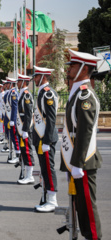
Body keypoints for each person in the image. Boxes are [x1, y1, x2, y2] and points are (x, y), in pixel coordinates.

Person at [60, 49, 102, 239]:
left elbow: (84, 131)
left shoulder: (85, 96)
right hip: (77, 158)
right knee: (79, 206)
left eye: (73, 66)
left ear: (84, 69)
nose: (69, 69)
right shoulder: (77, 94)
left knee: (87, 209)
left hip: (83, 160)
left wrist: (77, 163)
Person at [32, 66, 59, 212]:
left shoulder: (47, 94)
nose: (34, 79)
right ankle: (46, 198)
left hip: (46, 138)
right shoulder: (42, 93)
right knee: (44, 168)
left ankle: (52, 200)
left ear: (43, 77)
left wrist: (47, 141)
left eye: (36, 76)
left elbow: (51, 119)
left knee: (49, 169)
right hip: (41, 138)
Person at [15, 74, 35, 185]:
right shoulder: (22, 94)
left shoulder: (26, 95)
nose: (17, 83)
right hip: (21, 128)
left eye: (19, 81)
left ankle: (30, 176)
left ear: (23, 82)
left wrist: (26, 130)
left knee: (27, 151)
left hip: (25, 128)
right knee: (23, 151)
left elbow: (28, 114)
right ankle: (27, 174)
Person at [6, 77, 21, 164]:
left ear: (11, 84)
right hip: (10, 119)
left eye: (8, 83)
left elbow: (15, 107)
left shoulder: (13, 93)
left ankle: (18, 156)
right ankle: (17, 154)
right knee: (13, 137)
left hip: (14, 120)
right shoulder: (10, 93)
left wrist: (12, 120)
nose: (6, 85)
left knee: (15, 138)